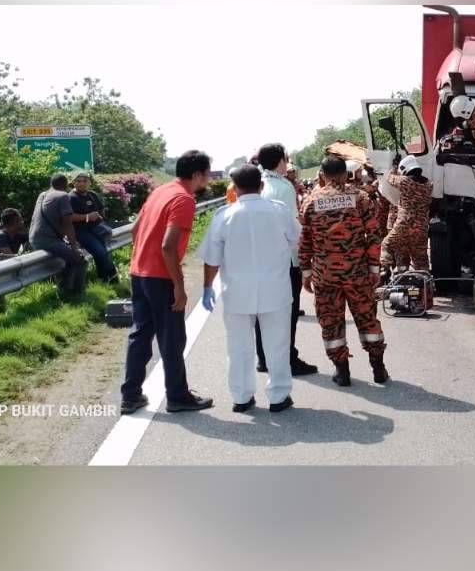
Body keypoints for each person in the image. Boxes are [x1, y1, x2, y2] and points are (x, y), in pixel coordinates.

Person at [199, 165, 301, 412]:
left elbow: (212, 259)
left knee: (238, 347)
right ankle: (278, 397)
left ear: (234, 188)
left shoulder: (224, 215)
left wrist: (206, 288)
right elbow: (297, 241)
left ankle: (242, 397)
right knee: (277, 344)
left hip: (236, 292)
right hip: (275, 290)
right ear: (262, 185)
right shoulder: (279, 211)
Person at [119, 150, 214, 415]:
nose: (207, 180)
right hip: (161, 278)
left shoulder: (160, 191)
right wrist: (179, 286)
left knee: (140, 335)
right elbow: (168, 247)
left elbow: (134, 230)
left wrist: (141, 260)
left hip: (139, 273)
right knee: (172, 339)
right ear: (196, 175)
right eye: (206, 175)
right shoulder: (184, 199)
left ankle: (131, 396)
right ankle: (177, 396)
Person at [299, 155, 388, 387]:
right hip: (358, 273)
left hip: (325, 276)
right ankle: (378, 367)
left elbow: (305, 240)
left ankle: (342, 371)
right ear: (344, 174)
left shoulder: (310, 200)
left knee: (331, 322)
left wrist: (306, 272)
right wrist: (374, 266)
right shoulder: (360, 198)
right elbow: (374, 234)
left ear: (322, 175)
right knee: (368, 318)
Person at [255, 143, 318, 376]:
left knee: (263, 313)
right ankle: (288, 358)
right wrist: (301, 263)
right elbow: (293, 229)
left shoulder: (258, 184)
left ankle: (263, 358)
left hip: (261, 261)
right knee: (288, 314)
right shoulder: (284, 188)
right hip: (284, 262)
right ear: (280, 161)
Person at [29, 173, 87, 298]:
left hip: (34, 238)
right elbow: (68, 223)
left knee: (69, 259)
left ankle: (64, 287)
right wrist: (74, 246)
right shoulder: (63, 196)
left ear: (51, 183)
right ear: (65, 185)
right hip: (48, 240)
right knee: (80, 260)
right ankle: (72, 294)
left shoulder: (43, 194)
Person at [380, 155, 433, 276]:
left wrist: (394, 167)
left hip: (403, 225)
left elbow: (389, 178)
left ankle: (385, 271)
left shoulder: (405, 182)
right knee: (420, 257)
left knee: (386, 245)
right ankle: (425, 282)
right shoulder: (429, 185)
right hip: (421, 228)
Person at [69, 172, 119, 283]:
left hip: (96, 229)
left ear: (89, 183)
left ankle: (110, 281)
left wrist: (101, 217)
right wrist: (86, 217)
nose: (81, 183)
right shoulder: (71, 198)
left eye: (84, 181)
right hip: (81, 232)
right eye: (78, 181)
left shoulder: (92, 194)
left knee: (105, 253)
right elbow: (68, 217)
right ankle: (106, 279)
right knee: (100, 252)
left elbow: (101, 208)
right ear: (73, 183)